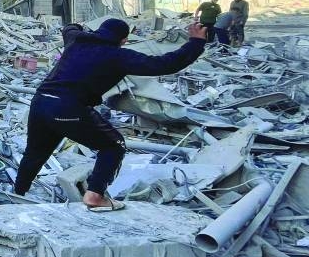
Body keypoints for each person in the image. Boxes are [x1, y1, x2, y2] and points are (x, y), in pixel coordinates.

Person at [14, 18, 208, 211]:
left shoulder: (76, 38)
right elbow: (163, 64)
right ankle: (95, 195)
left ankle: (17, 194)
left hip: (40, 101)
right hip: (68, 106)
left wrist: (78, 26)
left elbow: (69, 28)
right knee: (113, 146)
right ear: (123, 40)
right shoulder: (118, 56)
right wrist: (196, 42)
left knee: (35, 152)